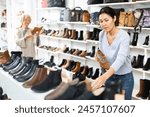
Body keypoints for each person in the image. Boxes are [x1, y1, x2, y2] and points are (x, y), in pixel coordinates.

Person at [91, 6, 134, 100]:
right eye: (101, 21)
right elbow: (102, 53)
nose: (103, 24)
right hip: (109, 75)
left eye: (106, 20)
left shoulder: (124, 36)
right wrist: (98, 56)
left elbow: (120, 59)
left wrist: (103, 77)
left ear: (114, 18)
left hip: (125, 78)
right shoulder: (101, 34)